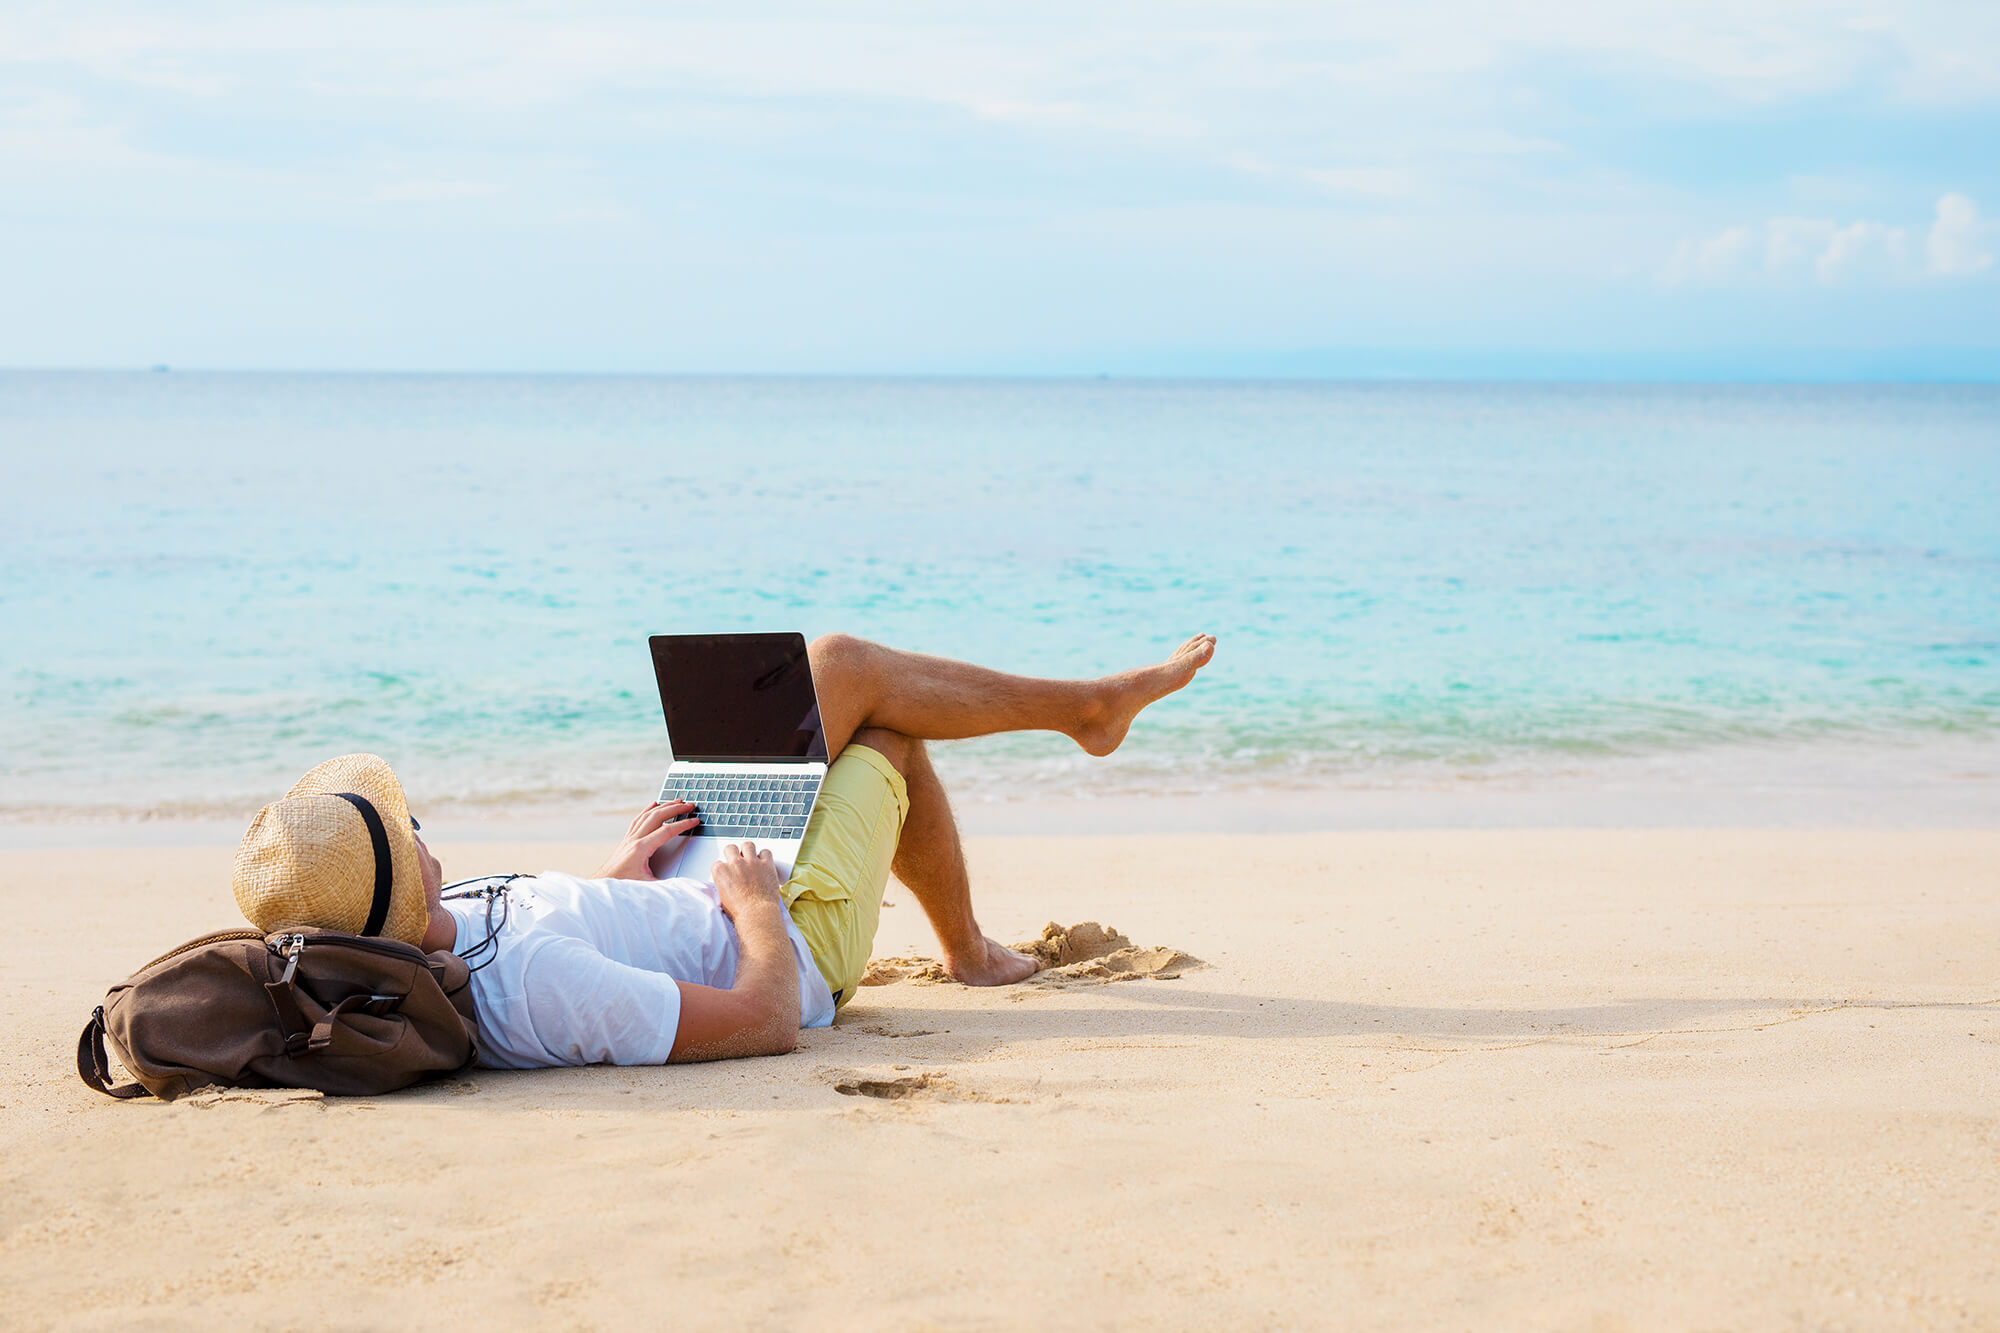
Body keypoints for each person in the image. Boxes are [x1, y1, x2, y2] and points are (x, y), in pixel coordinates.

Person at [231, 632, 1217, 1066]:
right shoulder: (537, 986)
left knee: (835, 676)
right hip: (792, 943)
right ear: (404, 871)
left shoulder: (458, 927)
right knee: (876, 722)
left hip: (694, 889)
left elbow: (555, 922)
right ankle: (1084, 716)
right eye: (406, 833)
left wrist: (616, 875)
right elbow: (761, 1022)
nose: (419, 826)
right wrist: (750, 906)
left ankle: (1071, 739)